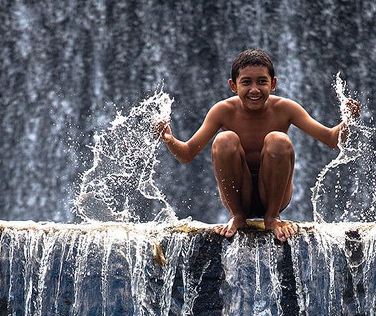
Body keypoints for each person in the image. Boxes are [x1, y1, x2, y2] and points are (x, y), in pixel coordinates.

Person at [154, 48, 361, 242]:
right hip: (237, 193)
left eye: (262, 81)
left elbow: (331, 139)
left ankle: (272, 218)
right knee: (224, 140)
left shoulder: (285, 108)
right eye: (246, 82)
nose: (254, 89)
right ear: (233, 86)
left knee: (278, 139)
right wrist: (169, 140)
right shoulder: (222, 111)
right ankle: (237, 217)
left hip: (275, 194)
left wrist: (347, 122)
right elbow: (187, 153)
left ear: (273, 84)